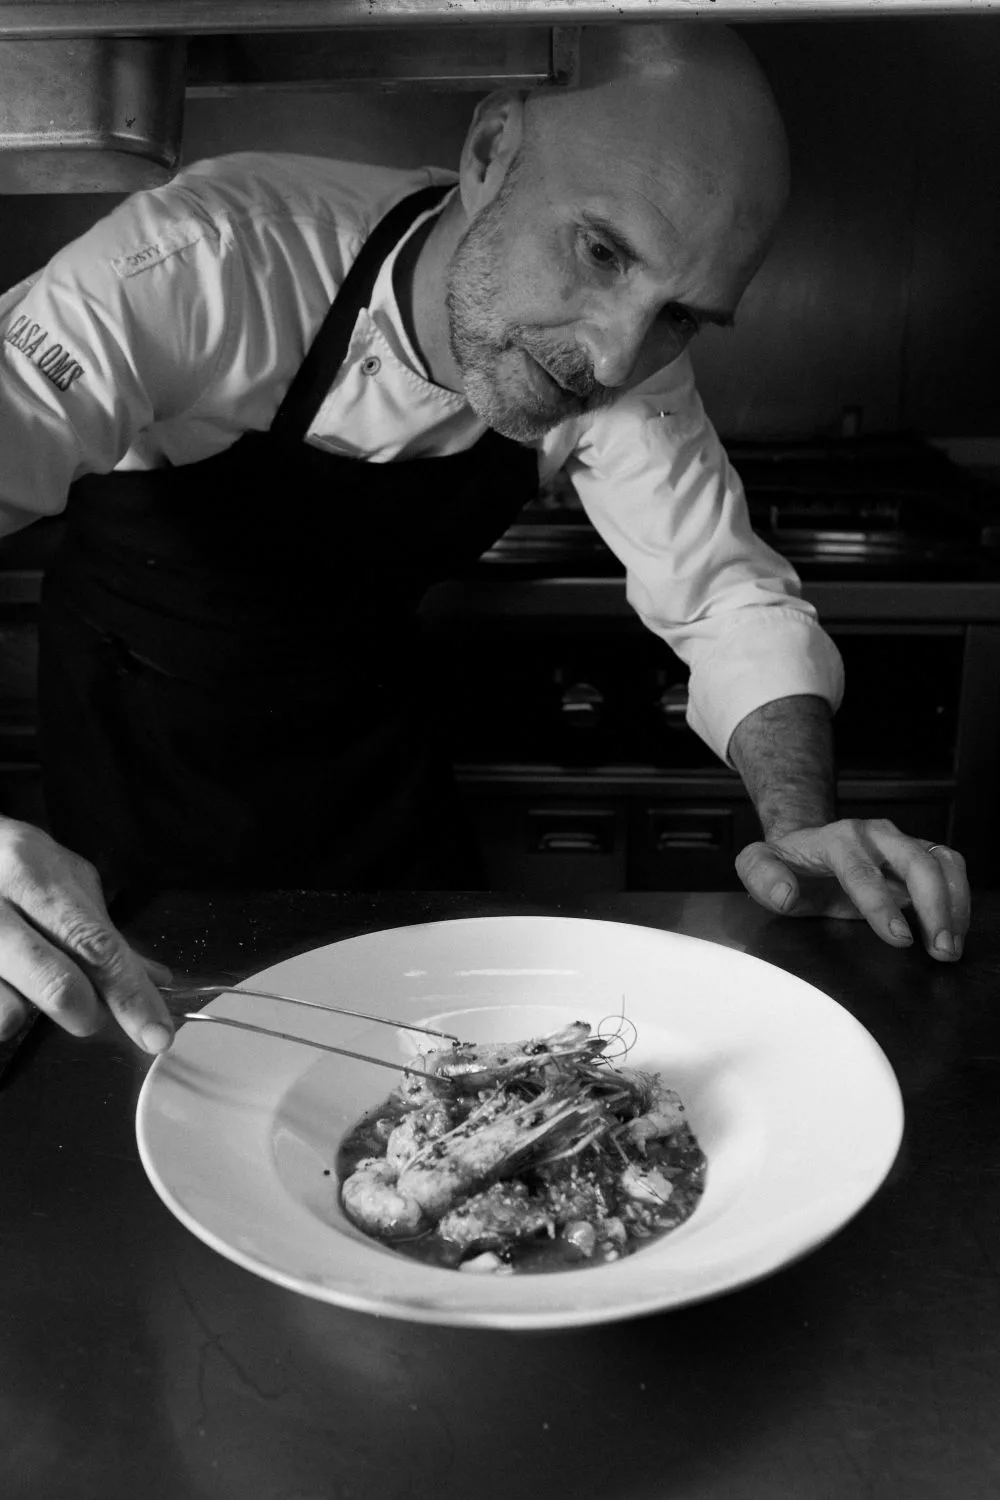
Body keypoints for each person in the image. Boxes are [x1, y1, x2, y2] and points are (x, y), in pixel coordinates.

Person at [0, 22, 970, 1055]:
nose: (612, 358)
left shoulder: (624, 358)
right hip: (145, 757)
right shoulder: (196, 263)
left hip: (365, 760)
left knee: (432, 1059)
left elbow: (727, 600)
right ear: (489, 151)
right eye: (600, 252)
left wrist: (799, 825)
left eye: (682, 315)